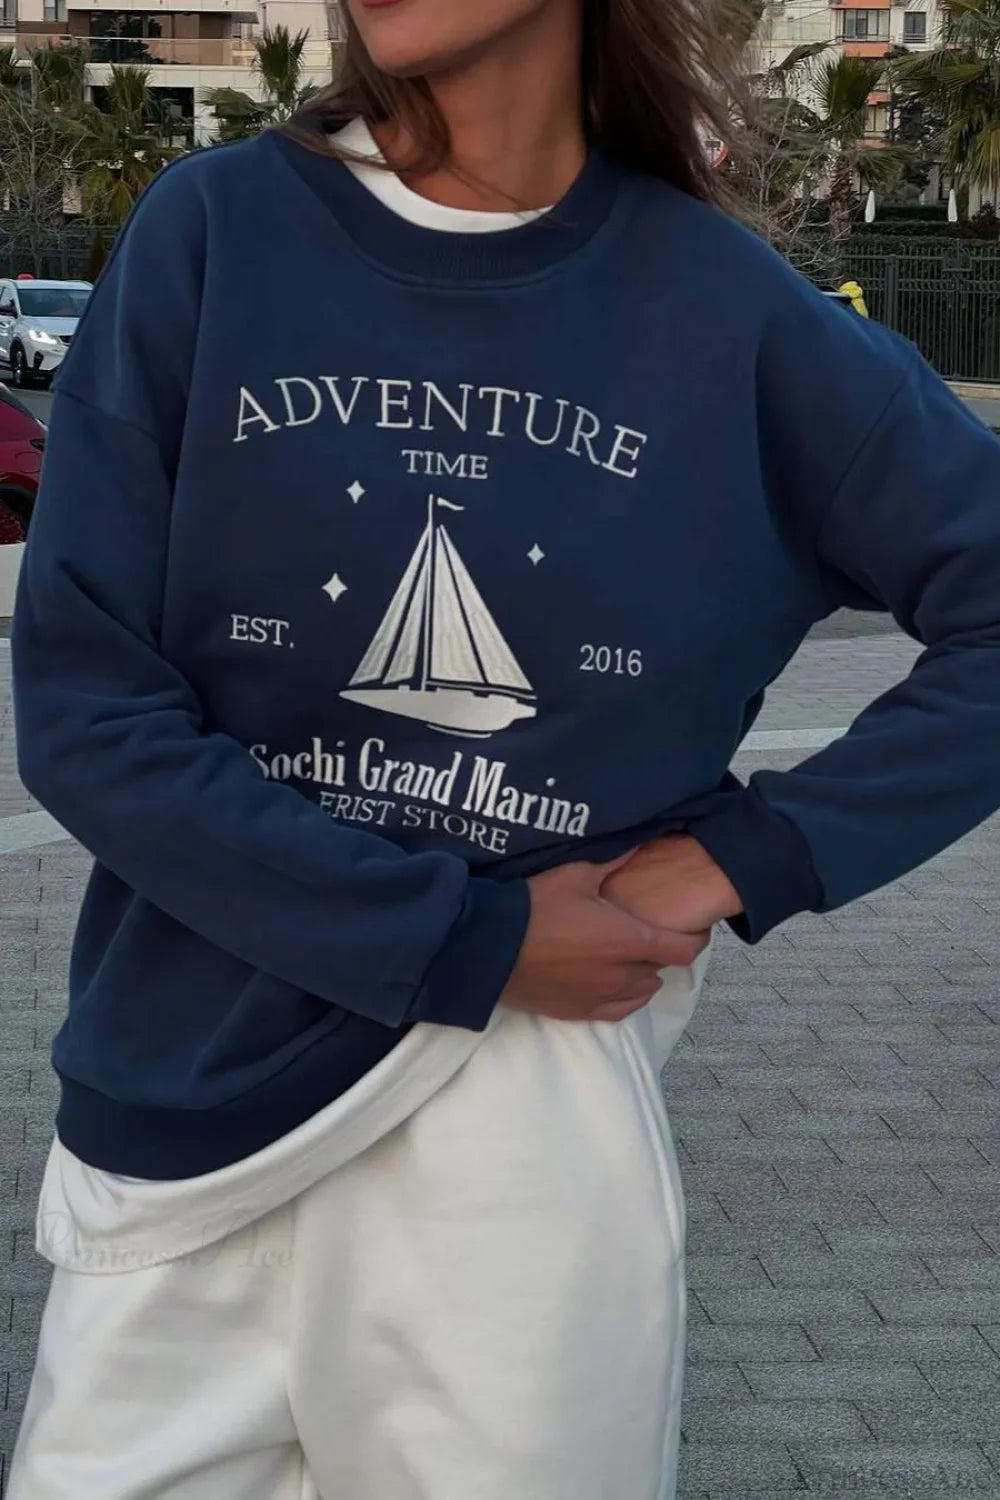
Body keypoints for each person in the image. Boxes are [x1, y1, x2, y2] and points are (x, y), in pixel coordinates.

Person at [8, 0, 1000, 1495]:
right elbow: (86, 710)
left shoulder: (724, 314)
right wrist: (464, 932)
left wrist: (742, 859)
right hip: (180, 1113)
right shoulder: (217, 232)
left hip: (521, 1144)